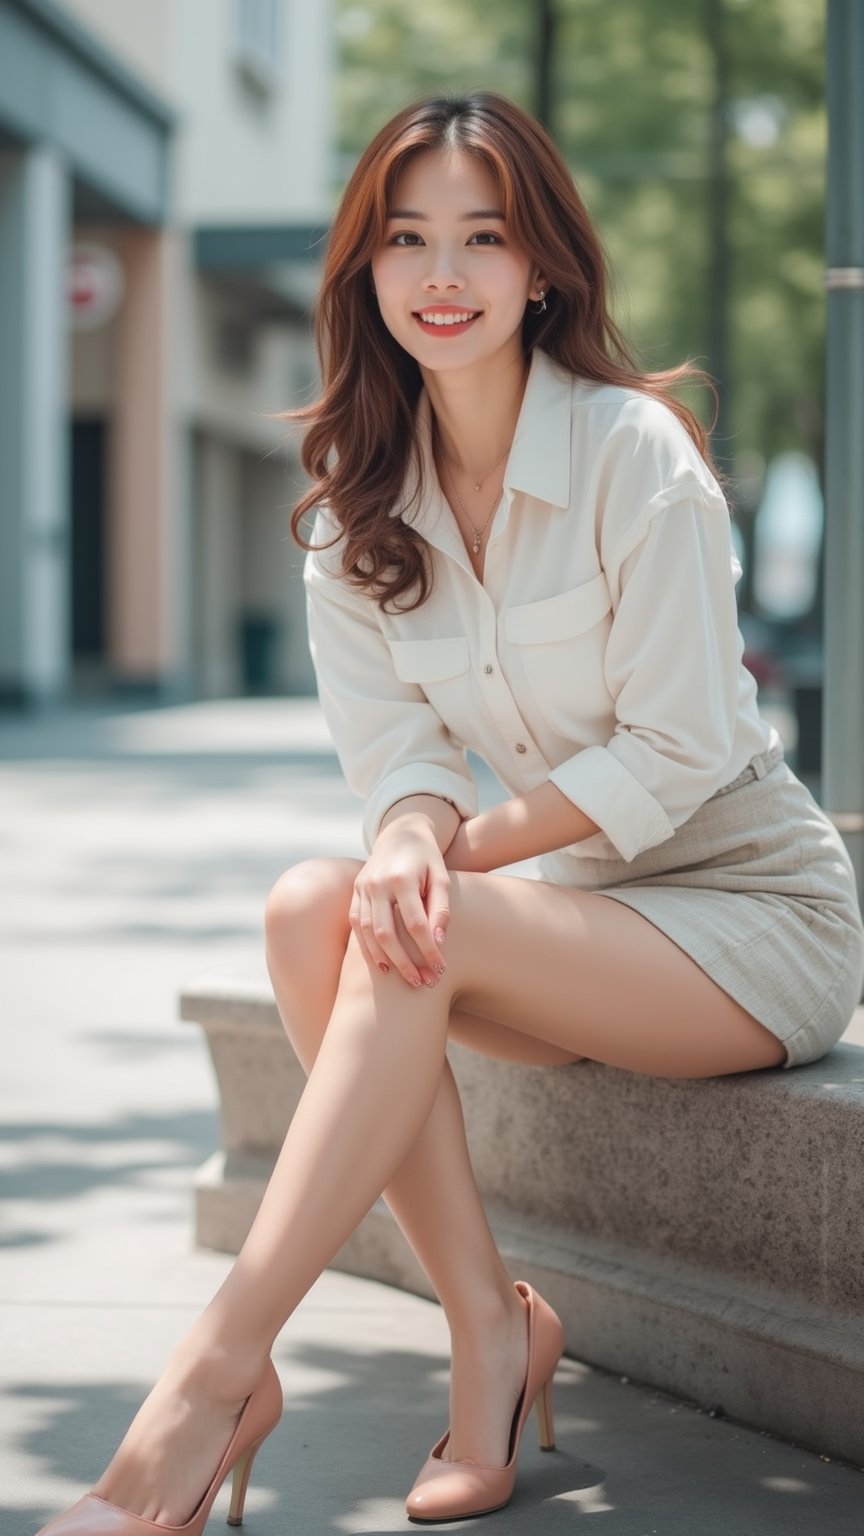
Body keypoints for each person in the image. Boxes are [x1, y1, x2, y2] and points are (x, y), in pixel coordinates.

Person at [36, 91, 864, 1535]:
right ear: (362, 269)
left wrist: (450, 852)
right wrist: (415, 833)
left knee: (411, 906)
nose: (443, 272)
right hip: (579, 921)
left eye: (482, 238)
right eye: (406, 237)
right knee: (316, 904)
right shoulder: (358, 506)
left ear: (541, 267)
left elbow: (679, 750)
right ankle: (489, 1327)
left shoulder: (632, 457)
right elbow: (399, 758)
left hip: (749, 925)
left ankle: (217, 1371)